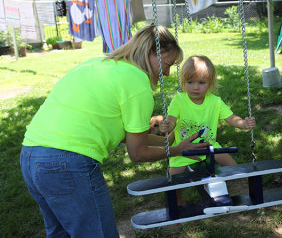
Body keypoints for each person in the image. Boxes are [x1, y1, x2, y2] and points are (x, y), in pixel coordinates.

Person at [20, 25, 208, 238]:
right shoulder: (137, 82)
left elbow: (117, 132)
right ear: (150, 54)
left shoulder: (96, 63)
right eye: (166, 65)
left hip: (31, 157)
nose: (166, 73)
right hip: (67, 164)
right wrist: (178, 151)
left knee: (60, 233)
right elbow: (137, 153)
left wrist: (171, 144)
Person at [160, 55, 256, 175]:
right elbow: (171, 120)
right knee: (173, 178)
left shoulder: (215, 101)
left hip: (209, 146)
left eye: (201, 82)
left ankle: (238, 187)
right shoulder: (179, 100)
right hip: (184, 148)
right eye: (190, 82)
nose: (195, 87)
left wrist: (243, 124)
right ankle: (175, 194)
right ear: (183, 81)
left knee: (233, 167)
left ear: (210, 83)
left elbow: (231, 118)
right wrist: (167, 126)